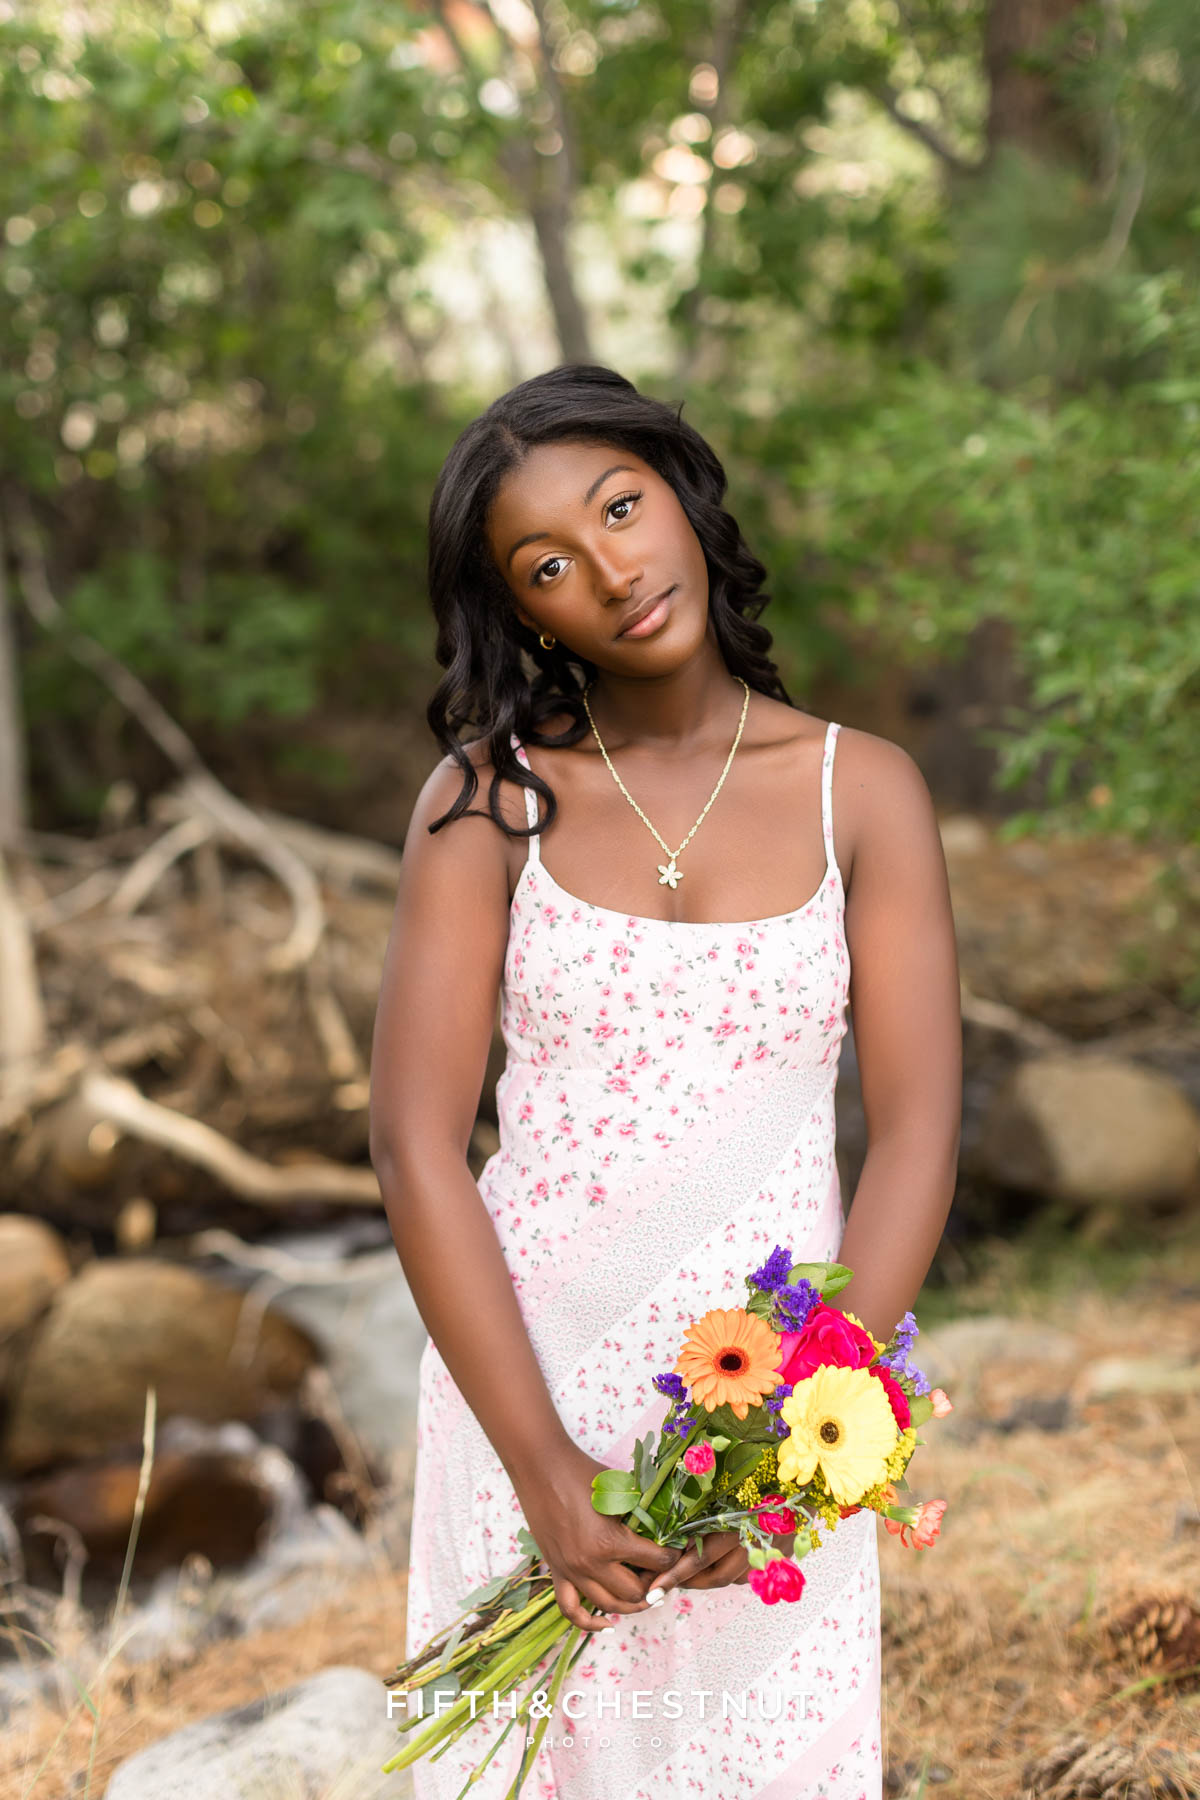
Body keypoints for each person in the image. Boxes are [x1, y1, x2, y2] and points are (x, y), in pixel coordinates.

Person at [369, 362, 962, 1800]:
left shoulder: (859, 790)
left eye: (622, 506)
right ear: (523, 611)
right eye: (551, 563)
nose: (614, 569)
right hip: (529, 1387)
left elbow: (919, 1133)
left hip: (767, 1406)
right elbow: (413, 1146)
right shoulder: (485, 802)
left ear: (686, 495)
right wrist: (543, 1469)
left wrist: (791, 1463)